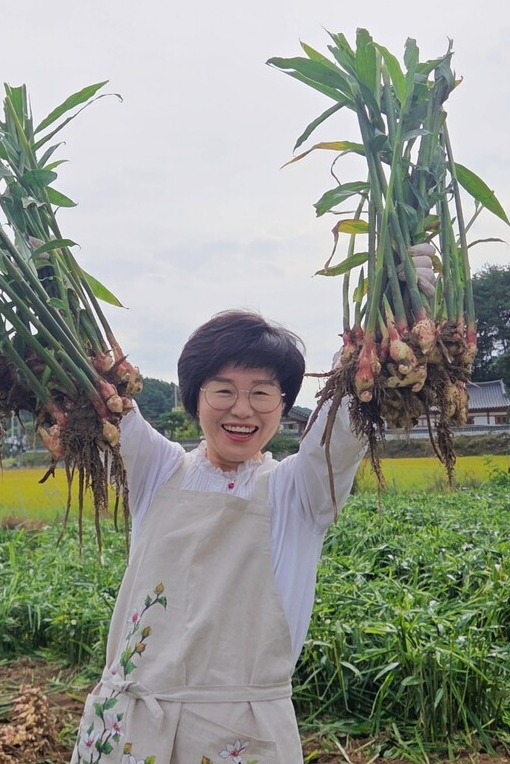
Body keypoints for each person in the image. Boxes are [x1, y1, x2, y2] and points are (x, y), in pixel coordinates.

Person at [72, 310, 366, 764]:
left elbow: (345, 422)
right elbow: (94, 395)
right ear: (195, 399)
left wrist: (389, 323)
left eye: (262, 393)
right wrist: (50, 289)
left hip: (239, 737)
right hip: (128, 726)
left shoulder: (299, 492)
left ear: (283, 405)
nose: (242, 409)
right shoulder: (157, 470)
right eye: (224, 390)